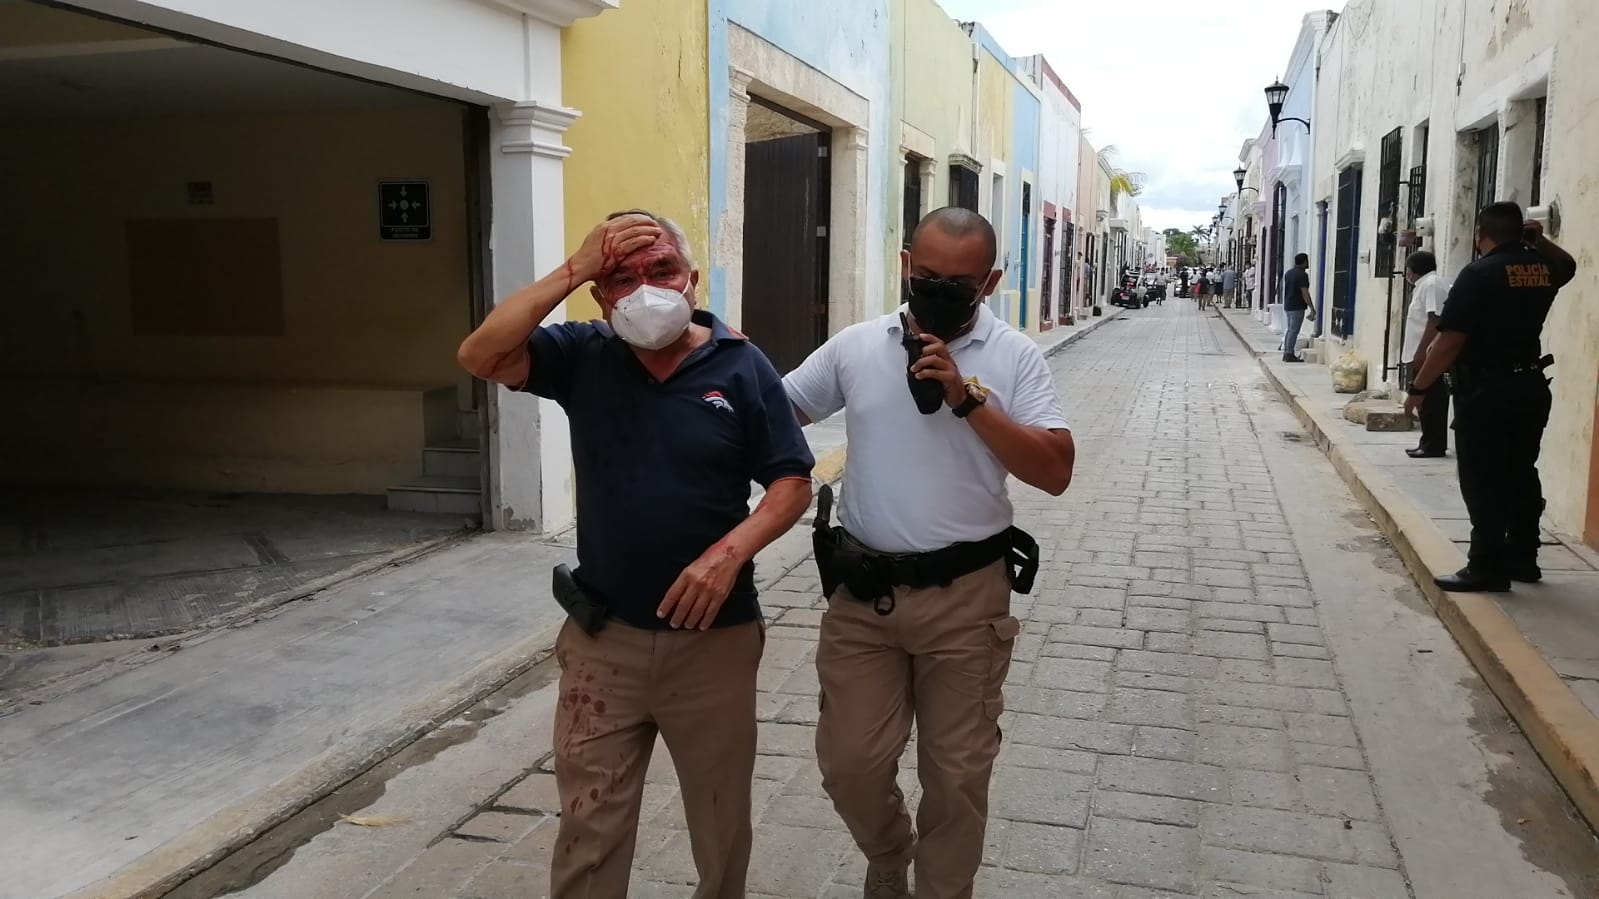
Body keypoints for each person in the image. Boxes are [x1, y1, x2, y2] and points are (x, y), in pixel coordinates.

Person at [456, 210, 815, 898]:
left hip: (713, 641)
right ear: (599, 293)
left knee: (719, 825)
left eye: (661, 271)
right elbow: (481, 355)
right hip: (604, 643)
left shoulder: (740, 365)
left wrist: (728, 554)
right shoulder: (582, 354)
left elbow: (791, 481)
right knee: (590, 826)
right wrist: (574, 269)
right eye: (620, 277)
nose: (645, 289)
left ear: (691, 278)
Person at [783, 207, 1073, 899]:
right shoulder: (855, 346)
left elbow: (1055, 470)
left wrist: (967, 400)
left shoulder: (1013, 356)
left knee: (957, 775)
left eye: (960, 283)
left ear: (990, 282)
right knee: (848, 764)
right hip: (862, 596)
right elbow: (779, 408)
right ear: (906, 263)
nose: (939, 290)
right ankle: (888, 852)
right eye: (927, 275)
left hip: (966, 600)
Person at [1404, 202, 1577, 592]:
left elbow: (1449, 342)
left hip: (1486, 392)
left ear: (1482, 235)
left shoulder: (1479, 273)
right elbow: (1569, 266)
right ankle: (1523, 557)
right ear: (1521, 233)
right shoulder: (1542, 267)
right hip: (1530, 387)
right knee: (1520, 472)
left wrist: (1419, 388)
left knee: (1483, 479)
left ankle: (1485, 565)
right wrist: (1539, 241)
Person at [1398, 251, 1451, 458]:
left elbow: (1435, 319)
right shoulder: (1425, 285)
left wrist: (1423, 351)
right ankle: (1427, 441)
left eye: (1408, 270)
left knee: (1431, 400)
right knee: (1423, 400)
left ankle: (1433, 445)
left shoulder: (1432, 284)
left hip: (1426, 353)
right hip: (1417, 352)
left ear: (1412, 270)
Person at [1281, 253, 1315, 361]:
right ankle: (1289, 353)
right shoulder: (1302, 275)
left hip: (1288, 305)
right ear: (1304, 262)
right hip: (1297, 306)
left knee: (1290, 329)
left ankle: (1287, 351)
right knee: (1294, 330)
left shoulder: (1289, 273)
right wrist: (1312, 308)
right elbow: (1304, 292)